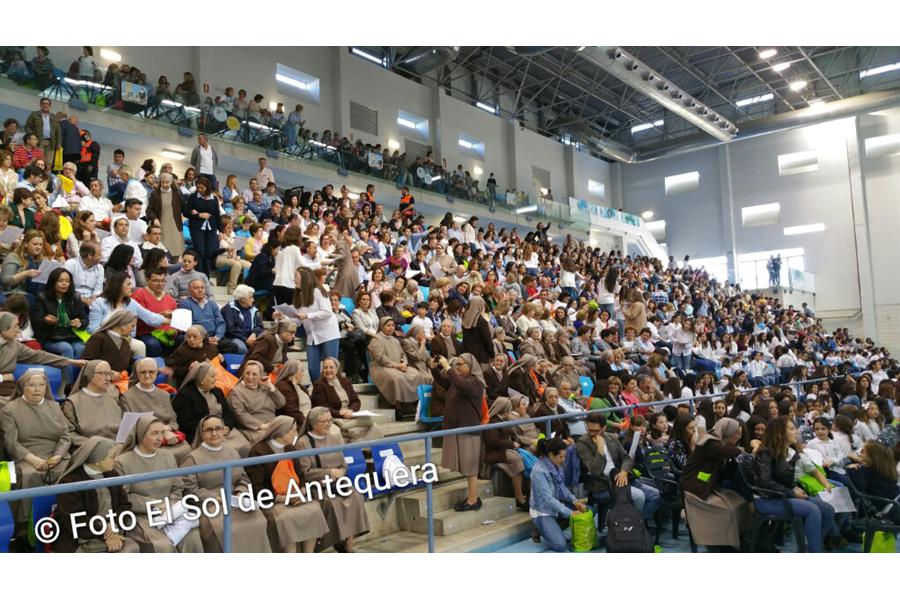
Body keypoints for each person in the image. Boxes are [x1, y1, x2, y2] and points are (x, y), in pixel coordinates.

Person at [180, 415, 271, 552]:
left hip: (235, 502)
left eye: (218, 428)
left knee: (258, 520)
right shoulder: (192, 458)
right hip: (210, 506)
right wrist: (216, 499)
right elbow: (189, 489)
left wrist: (240, 492)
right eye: (209, 430)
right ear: (202, 433)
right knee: (225, 529)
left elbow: (243, 478)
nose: (214, 433)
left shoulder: (232, 452)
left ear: (224, 431)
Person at [114, 415, 204, 552]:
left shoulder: (168, 457)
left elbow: (177, 487)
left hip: (170, 511)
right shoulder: (123, 461)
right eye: (154, 433)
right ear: (140, 434)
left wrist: (170, 505)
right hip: (141, 517)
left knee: (193, 536)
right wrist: (154, 505)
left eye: (162, 433)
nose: (159, 438)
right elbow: (122, 497)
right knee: (162, 545)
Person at [751, 416, 839, 553]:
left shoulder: (789, 452)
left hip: (783, 495)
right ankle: (815, 552)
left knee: (828, 509)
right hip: (766, 499)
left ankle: (813, 547)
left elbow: (783, 479)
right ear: (780, 433)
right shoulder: (765, 453)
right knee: (812, 510)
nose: (797, 431)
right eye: (792, 429)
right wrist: (791, 492)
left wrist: (794, 488)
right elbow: (765, 482)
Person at [245, 415, 330, 553]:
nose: (296, 434)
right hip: (272, 500)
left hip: (294, 495)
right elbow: (257, 487)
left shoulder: (291, 448)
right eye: (293, 431)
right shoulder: (257, 452)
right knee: (287, 518)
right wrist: (283, 499)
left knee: (314, 509)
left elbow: (300, 475)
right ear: (280, 432)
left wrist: (300, 491)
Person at [0, 369, 71, 530]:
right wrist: (32, 459)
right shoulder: (10, 409)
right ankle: (27, 527)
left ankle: (66, 518)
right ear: (23, 387)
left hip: (56, 455)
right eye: (32, 385)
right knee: (30, 475)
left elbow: (65, 436)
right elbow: (11, 443)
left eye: (41, 385)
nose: (38, 389)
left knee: (71, 471)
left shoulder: (54, 406)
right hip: (27, 456)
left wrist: (58, 456)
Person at [295, 406, 370, 552]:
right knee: (332, 503)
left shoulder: (336, 438)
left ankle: (348, 547)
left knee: (355, 497)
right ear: (313, 423)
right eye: (325, 421)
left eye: (330, 420)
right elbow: (306, 472)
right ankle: (335, 542)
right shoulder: (303, 443)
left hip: (338, 483)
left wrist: (341, 472)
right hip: (318, 486)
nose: (329, 424)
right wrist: (329, 472)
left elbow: (344, 464)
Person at [53, 436, 140, 553]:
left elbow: (125, 505)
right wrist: (105, 532)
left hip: (112, 529)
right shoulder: (70, 482)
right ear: (97, 459)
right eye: (112, 457)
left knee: (132, 548)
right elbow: (76, 520)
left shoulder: (112, 474)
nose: (116, 460)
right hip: (78, 536)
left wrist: (113, 525)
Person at [680, 417, 752, 549]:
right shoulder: (710, 442)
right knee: (725, 510)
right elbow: (730, 452)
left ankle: (733, 539)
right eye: (736, 434)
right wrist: (741, 451)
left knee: (739, 502)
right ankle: (720, 543)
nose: (738, 437)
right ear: (727, 432)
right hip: (695, 486)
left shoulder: (718, 443)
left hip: (706, 484)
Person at [576, 413, 661, 523]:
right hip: (603, 484)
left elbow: (626, 458)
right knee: (639, 496)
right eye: (589, 429)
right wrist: (600, 449)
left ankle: (629, 523)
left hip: (622, 477)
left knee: (656, 495)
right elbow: (595, 471)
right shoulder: (583, 443)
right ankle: (628, 524)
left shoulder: (611, 437)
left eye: (595, 431)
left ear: (604, 428)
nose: (591, 433)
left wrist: (624, 471)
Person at [438, 353, 486, 511]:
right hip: (456, 427)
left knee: (470, 466)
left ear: (471, 366)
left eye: (461, 364)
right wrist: (434, 368)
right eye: (456, 364)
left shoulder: (475, 382)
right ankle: (472, 498)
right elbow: (443, 381)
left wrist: (447, 366)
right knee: (466, 466)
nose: (457, 367)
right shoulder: (459, 381)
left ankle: (473, 500)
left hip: (468, 429)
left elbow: (461, 385)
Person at [172, 361, 249, 457]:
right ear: (202, 379)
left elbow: (228, 413)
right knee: (225, 451)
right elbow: (185, 423)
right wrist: (214, 428)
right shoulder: (184, 395)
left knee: (244, 446)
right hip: (203, 434)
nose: (216, 379)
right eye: (212, 376)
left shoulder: (217, 391)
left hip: (224, 430)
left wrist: (227, 426)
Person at [121, 358, 190, 463]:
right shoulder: (127, 397)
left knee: (186, 449)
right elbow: (130, 427)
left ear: (157, 372)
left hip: (169, 436)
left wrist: (168, 429)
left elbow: (173, 421)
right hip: (145, 440)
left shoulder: (164, 394)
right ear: (137, 374)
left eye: (151, 372)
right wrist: (161, 432)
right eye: (143, 372)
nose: (147, 375)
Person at [530, 436, 588, 552]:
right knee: (560, 545)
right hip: (543, 511)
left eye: (565, 456)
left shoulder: (556, 466)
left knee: (588, 510)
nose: (563, 460)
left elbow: (563, 488)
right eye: (561, 457)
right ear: (551, 454)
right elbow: (548, 499)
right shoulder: (538, 472)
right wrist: (570, 512)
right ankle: (541, 528)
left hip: (558, 505)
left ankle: (557, 528)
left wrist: (574, 501)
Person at [30, 268, 87, 382]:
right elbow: (36, 322)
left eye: (67, 281)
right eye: (61, 281)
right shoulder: (43, 298)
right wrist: (46, 321)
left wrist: (80, 323)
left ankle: (78, 382)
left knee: (81, 348)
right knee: (66, 348)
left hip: (71, 335)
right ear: (53, 281)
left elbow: (84, 319)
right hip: (51, 337)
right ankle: (69, 385)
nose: (65, 283)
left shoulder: (75, 298)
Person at [310, 356, 380, 443]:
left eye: (331, 367)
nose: (328, 370)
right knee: (361, 425)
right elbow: (321, 408)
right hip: (334, 416)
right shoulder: (319, 385)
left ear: (337, 368)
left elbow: (356, 401)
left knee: (374, 425)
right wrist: (340, 413)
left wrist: (350, 410)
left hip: (350, 414)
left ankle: (371, 450)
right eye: (325, 368)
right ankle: (358, 447)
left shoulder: (345, 381)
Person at [62, 359, 123, 448]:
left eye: (109, 374)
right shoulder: (73, 402)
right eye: (102, 373)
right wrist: (94, 444)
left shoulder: (112, 399)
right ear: (90, 375)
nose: (108, 378)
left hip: (117, 448)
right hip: (89, 450)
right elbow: (68, 433)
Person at [368, 316, 423, 413]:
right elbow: (380, 358)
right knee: (396, 378)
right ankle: (398, 405)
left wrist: (405, 363)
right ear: (382, 326)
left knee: (416, 374)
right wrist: (397, 366)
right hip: (380, 367)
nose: (391, 328)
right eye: (388, 325)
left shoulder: (395, 340)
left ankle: (412, 403)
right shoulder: (376, 339)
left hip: (398, 366)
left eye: (393, 326)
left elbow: (403, 354)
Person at [294, 268, 340, 383]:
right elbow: (299, 318)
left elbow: (327, 312)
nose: (293, 279)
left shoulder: (318, 291)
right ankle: (318, 392)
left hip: (328, 333)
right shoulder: (300, 294)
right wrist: (282, 316)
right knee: (312, 369)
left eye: (296, 276)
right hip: (312, 335)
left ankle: (334, 391)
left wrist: (308, 316)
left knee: (331, 367)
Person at [483, 397, 529, 509]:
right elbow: (493, 442)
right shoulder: (492, 422)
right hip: (494, 453)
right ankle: (519, 497)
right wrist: (511, 445)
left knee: (521, 458)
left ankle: (523, 494)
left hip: (505, 450)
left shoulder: (504, 420)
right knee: (517, 460)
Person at [226, 360, 286, 445]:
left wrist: (271, 388)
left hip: (273, 424)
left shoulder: (265, 387)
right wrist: (261, 426)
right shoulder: (235, 393)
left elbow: (281, 403)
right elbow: (240, 414)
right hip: (252, 429)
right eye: (247, 373)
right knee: (271, 440)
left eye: (254, 374)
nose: (250, 377)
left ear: (260, 376)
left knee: (290, 433)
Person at [178, 278, 239, 354]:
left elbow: (221, 323)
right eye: (196, 288)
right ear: (190, 291)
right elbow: (186, 327)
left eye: (202, 287)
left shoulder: (212, 303)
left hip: (214, 337)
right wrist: (205, 340)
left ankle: (220, 363)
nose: (200, 290)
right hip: (197, 338)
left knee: (232, 347)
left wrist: (217, 337)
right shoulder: (185, 304)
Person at [847, 440, 900, 524]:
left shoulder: (865, 472)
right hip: (895, 501)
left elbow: (858, 485)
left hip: (891, 506)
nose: (860, 453)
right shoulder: (886, 469)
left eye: (863, 451)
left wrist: (851, 469)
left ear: (872, 456)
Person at [130, 268, 178, 358]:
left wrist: (176, 331)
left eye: (163, 281)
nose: (160, 284)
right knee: (152, 344)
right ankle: (158, 367)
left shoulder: (170, 299)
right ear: (147, 280)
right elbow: (141, 317)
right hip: (146, 333)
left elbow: (175, 321)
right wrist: (161, 315)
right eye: (155, 281)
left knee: (184, 339)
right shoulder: (139, 295)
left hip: (167, 334)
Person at [182, 176, 221, 274]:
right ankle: (198, 275)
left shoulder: (214, 199)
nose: (200, 190)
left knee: (209, 252)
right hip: (197, 228)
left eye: (202, 188)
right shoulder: (194, 197)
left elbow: (217, 215)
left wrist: (221, 231)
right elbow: (186, 212)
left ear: (207, 187)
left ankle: (206, 276)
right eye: (198, 188)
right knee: (200, 252)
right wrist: (199, 215)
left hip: (211, 228)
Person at [147, 172, 185, 257]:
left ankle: (174, 268)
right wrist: (155, 219)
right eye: (163, 182)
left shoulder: (177, 193)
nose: (164, 184)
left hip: (175, 225)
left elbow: (184, 207)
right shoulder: (155, 194)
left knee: (176, 251)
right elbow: (149, 210)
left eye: (167, 182)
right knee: (162, 251)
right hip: (161, 225)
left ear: (171, 182)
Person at [221, 284, 264, 355]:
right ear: (243, 299)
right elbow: (231, 330)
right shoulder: (228, 309)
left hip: (251, 337)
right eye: (250, 297)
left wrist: (254, 334)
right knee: (242, 348)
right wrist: (245, 339)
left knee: (264, 346)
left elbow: (260, 326)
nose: (253, 300)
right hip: (234, 338)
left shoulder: (253, 309)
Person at [272, 359, 312, 428]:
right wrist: (307, 423)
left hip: (309, 419)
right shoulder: (283, 386)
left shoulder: (300, 387)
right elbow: (291, 411)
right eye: (302, 371)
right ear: (294, 372)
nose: (303, 374)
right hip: (297, 423)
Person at [25, 97, 60, 167]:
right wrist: (31, 138)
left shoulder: (54, 117)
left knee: (49, 162)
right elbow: (27, 127)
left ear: (50, 106)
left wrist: (58, 143)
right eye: (43, 103)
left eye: (47, 104)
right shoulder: (34, 114)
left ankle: (45, 176)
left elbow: (58, 132)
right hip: (38, 142)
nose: (45, 105)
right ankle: (35, 175)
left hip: (51, 143)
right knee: (38, 160)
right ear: (40, 105)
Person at [461, 295, 494, 365]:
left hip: (466, 355)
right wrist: (492, 354)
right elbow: (487, 340)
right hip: (480, 357)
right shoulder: (481, 321)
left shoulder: (464, 318)